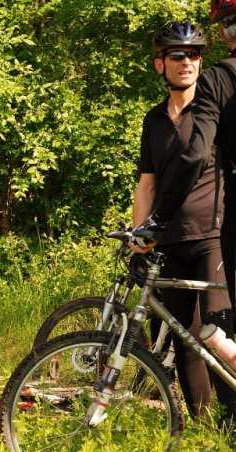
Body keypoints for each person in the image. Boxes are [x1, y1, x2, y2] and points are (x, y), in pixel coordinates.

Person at [132, 6, 236, 426]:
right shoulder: (153, 120)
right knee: (183, 339)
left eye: (194, 55)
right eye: (177, 55)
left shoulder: (215, 108)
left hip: (213, 235)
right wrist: (142, 238)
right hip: (168, 239)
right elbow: (147, 186)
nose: (187, 62)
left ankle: (232, 428)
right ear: (161, 64)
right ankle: (204, 427)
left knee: (220, 334)